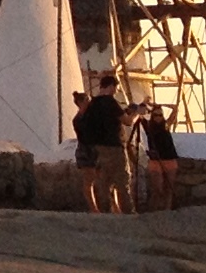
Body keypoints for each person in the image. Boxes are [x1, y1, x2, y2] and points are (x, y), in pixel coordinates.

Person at [72, 74, 129, 214]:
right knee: (112, 179)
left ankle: (109, 208)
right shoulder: (107, 103)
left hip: (97, 148)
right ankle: (103, 209)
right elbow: (126, 121)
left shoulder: (93, 106)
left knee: (104, 180)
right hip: (96, 148)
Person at [139, 100, 182, 212]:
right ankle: (154, 210)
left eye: (160, 115)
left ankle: (167, 210)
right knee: (157, 189)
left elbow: (175, 108)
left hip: (169, 159)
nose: (158, 117)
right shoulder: (148, 126)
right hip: (155, 160)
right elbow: (140, 112)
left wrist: (161, 104)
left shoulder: (166, 125)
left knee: (169, 188)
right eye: (156, 115)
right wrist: (147, 104)